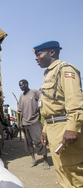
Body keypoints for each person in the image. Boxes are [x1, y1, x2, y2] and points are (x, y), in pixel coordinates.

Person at [33, 40, 83, 187]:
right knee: (62, 171)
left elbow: (74, 101)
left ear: (52, 52)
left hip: (65, 128)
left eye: (39, 54)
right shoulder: (49, 74)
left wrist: (72, 127)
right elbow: (51, 108)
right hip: (54, 129)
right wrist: (45, 130)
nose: (36, 58)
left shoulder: (65, 69)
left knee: (74, 172)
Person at [18, 79, 49, 169]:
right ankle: (33, 159)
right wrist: (20, 123)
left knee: (40, 141)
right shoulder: (21, 96)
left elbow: (42, 102)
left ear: (26, 84)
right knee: (28, 143)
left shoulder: (34, 92)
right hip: (26, 123)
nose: (21, 87)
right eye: (19, 86)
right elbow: (20, 111)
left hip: (35, 121)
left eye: (22, 85)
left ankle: (46, 160)